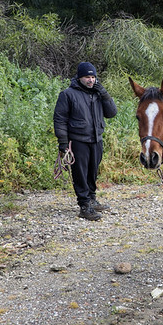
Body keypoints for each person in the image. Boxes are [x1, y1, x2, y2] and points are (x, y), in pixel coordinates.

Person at [53, 62, 117, 221]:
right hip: (77, 141)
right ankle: (84, 206)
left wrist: (104, 93)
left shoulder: (98, 94)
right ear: (80, 77)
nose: (91, 80)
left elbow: (112, 113)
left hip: (96, 140)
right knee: (80, 174)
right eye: (87, 77)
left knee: (92, 172)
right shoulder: (67, 94)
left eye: (93, 77)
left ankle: (92, 200)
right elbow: (60, 120)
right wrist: (63, 143)